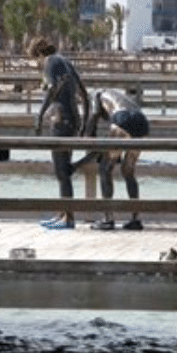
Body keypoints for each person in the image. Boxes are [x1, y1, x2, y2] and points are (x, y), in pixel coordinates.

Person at [29, 35, 89, 230]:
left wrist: (39, 116)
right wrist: (83, 122)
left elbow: (52, 88)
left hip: (60, 120)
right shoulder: (66, 62)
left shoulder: (49, 62)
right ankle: (63, 213)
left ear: (39, 53)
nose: (38, 64)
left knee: (61, 172)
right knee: (64, 170)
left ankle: (68, 218)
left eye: (36, 60)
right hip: (73, 119)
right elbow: (84, 94)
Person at [75, 88, 148, 231]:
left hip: (122, 119)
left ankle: (107, 219)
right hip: (142, 121)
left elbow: (94, 116)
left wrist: (85, 136)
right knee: (128, 171)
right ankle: (135, 219)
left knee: (105, 169)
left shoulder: (97, 95)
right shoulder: (118, 96)